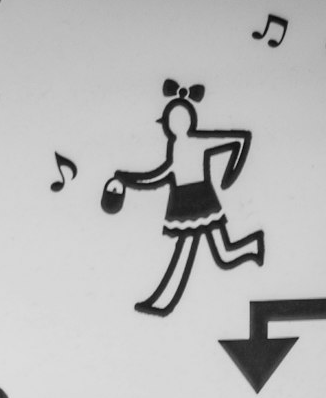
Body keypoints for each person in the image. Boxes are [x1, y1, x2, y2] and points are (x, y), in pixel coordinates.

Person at [100, 80, 264, 316]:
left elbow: (240, 139)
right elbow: (159, 176)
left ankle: (161, 302)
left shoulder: (195, 144)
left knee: (204, 254)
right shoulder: (178, 147)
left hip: (198, 202)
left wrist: (229, 174)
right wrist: (129, 179)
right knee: (221, 254)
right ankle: (254, 246)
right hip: (190, 202)